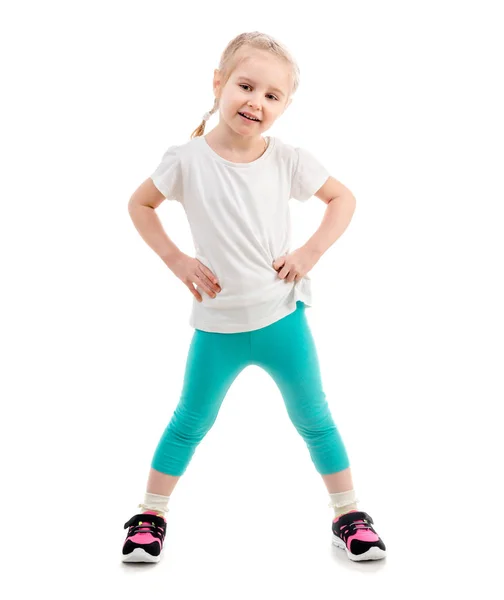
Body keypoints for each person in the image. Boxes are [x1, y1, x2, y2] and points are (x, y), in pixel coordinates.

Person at [122, 31, 386, 564]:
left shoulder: (287, 159)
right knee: (190, 421)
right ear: (218, 83)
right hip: (216, 326)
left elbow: (343, 198)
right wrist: (177, 260)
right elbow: (140, 205)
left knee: (315, 418)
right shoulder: (187, 159)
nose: (256, 102)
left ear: (285, 106)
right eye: (246, 86)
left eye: (272, 96)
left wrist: (310, 252)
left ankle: (349, 514)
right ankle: (150, 515)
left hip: (281, 318)